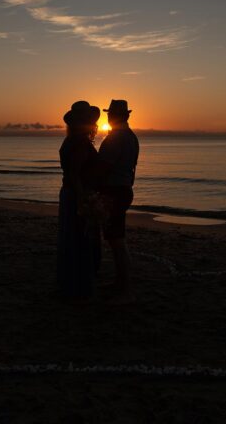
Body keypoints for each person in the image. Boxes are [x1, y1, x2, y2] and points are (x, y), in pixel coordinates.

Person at [57, 101, 102, 299]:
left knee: (74, 239)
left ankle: (73, 284)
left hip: (71, 193)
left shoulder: (73, 141)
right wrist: (83, 199)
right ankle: (80, 288)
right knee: (81, 239)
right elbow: (75, 175)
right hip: (78, 194)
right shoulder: (79, 143)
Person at [98, 99, 139, 303]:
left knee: (116, 240)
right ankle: (121, 283)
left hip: (114, 191)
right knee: (116, 238)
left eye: (110, 114)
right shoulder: (131, 137)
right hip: (123, 189)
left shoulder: (116, 138)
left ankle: (125, 288)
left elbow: (104, 167)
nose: (108, 116)